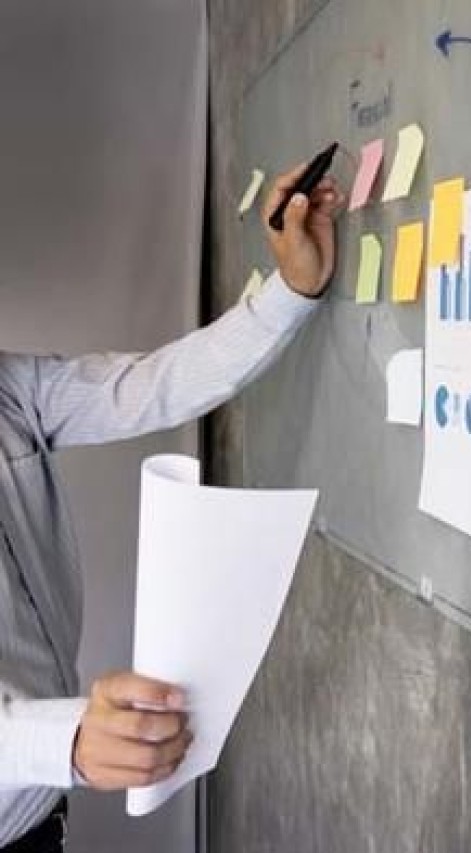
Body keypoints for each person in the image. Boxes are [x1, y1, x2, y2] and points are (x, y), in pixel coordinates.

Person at [0, 162, 344, 852]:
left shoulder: (10, 389)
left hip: (39, 821)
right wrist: (61, 739)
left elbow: (152, 385)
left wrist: (291, 289)